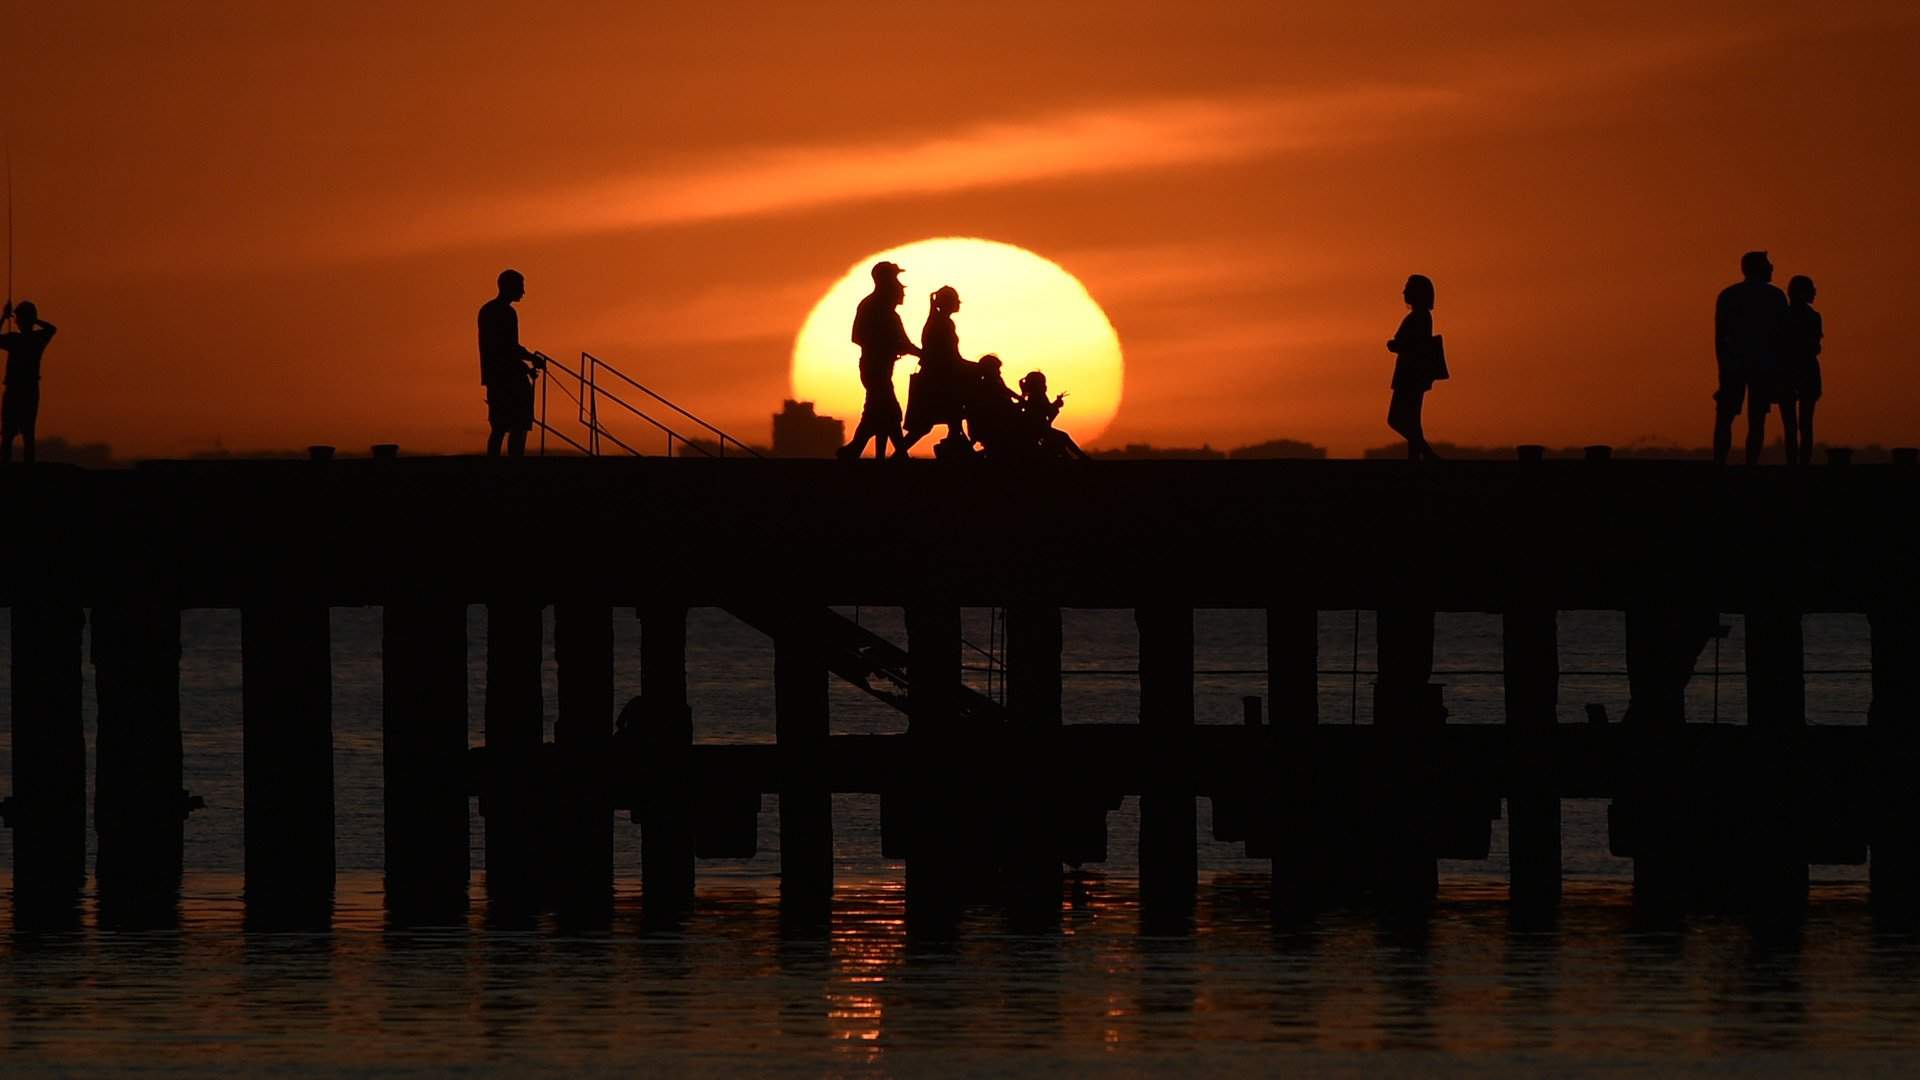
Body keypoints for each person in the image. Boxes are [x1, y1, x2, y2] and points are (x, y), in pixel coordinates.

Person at [838, 261, 921, 460]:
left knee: (877, 414)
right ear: (885, 282)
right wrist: (887, 346)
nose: (900, 287)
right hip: (874, 369)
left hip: (880, 369)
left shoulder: (883, 310)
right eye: (895, 280)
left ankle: (857, 451)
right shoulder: (874, 308)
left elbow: (904, 344)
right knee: (890, 412)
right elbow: (857, 336)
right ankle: (899, 454)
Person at [1713, 251, 1788, 466]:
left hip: (1733, 363)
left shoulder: (1728, 295)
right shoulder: (1775, 297)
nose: (1772, 268)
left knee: (1725, 418)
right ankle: (1750, 466)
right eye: (1768, 265)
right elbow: (1781, 338)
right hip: (1763, 365)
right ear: (1758, 268)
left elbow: (1720, 338)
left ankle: (1719, 464)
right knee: (1757, 420)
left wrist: (1723, 366)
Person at [900, 285, 969, 456]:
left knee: (948, 419)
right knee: (926, 425)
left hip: (938, 377)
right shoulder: (941, 323)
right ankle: (899, 455)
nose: (958, 304)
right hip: (938, 380)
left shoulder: (939, 321)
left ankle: (958, 445)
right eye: (955, 301)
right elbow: (950, 356)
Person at [478, 269, 540, 458]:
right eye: (520, 287)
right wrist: (530, 362)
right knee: (518, 425)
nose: (523, 292)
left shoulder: (487, 310)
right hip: (508, 378)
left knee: (499, 427)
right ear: (509, 287)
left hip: (494, 377)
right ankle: (515, 465)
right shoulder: (506, 312)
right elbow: (508, 347)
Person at [1385, 274, 1442, 461]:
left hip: (1410, 374)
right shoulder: (1421, 317)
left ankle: (1426, 453)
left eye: (1408, 288)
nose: (1404, 292)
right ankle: (1415, 458)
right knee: (1412, 421)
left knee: (1396, 419)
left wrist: (1395, 345)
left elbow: (1413, 343)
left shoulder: (1420, 317)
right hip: (1413, 374)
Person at [0, 301, 58, 465]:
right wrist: (34, 320)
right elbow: (52, 329)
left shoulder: (14, 340)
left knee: (8, 434)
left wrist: (4, 317)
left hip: (15, 391)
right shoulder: (37, 338)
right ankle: (27, 469)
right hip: (29, 390)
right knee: (27, 433)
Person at [1779, 274, 1823, 467]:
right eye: (1811, 288)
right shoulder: (1813, 316)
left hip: (1787, 371)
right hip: (1806, 371)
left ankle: (1793, 463)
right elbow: (1814, 346)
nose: (1815, 291)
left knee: (1791, 425)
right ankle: (1803, 464)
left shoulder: (1783, 315)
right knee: (1806, 424)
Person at [1016, 370, 1090, 460]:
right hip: (1037, 429)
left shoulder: (1035, 396)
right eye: (1042, 383)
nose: (1045, 385)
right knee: (1063, 437)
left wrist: (1055, 405)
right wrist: (1057, 405)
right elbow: (1047, 412)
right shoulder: (1038, 396)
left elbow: (1045, 411)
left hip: (1039, 428)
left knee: (1061, 441)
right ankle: (1083, 458)